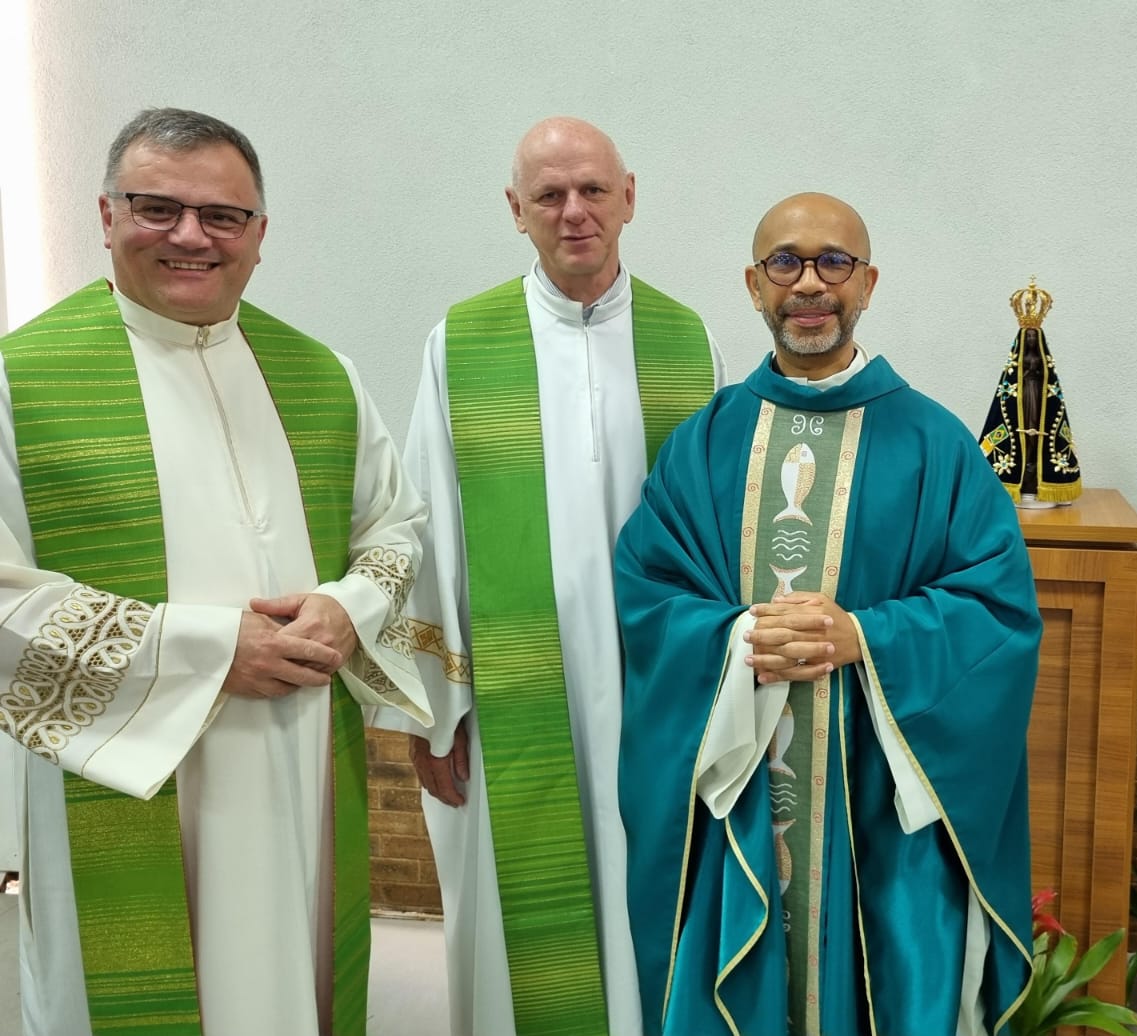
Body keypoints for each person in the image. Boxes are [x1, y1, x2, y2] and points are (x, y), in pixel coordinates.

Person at [0, 107, 430, 1036]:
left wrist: (348, 608)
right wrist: (200, 649)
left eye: (222, 216)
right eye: (159, 207)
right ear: (106, 214)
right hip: (131, 774)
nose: (191, 236)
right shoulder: (20, 380)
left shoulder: (321, 374)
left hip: (304, 763)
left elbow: (395, 528)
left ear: (260, 236)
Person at [614, 192, 1041, 1036]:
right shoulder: (706, 441)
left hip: (878, 808)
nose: (809, 284)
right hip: (745, 793)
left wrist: (865, 635)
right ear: (753, 284)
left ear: (868, 282)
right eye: (786, 263)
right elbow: (647, 591)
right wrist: (736, 637)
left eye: (833, 262)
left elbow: (997, 611)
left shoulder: (935, 444)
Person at [386, 116, 722, 1035]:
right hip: (512, 695)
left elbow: (720, 542)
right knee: (516, 935)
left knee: (653, 890)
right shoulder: (463, 343)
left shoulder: (687, 345)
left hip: (654, 695)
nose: (574, 213)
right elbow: (427, 531)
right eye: (549, 196)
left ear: (630, 197)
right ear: (516, 210)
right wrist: (431, 708)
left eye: (593, 191)